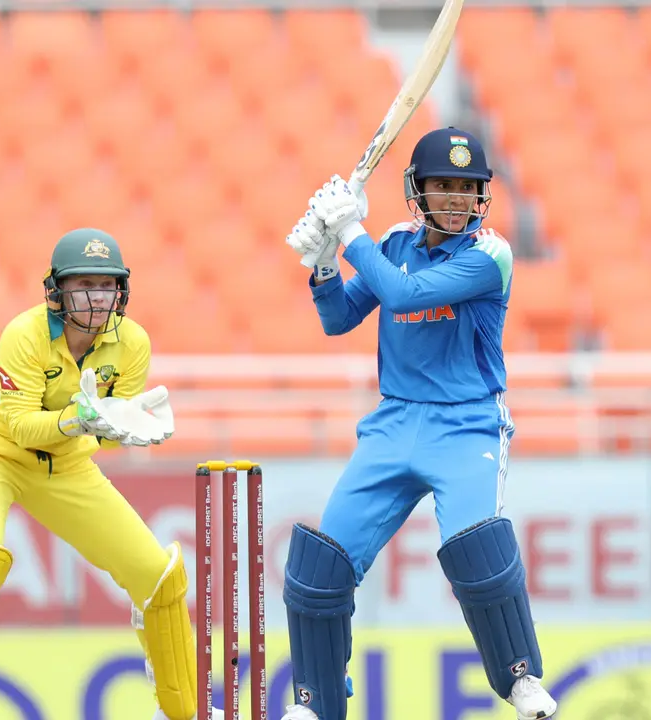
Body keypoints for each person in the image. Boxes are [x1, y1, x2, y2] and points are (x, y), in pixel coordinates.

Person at [280, 128, 558, 720]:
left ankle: (520, 678)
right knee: (320, 568)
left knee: (476, 546)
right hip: (394, 420)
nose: (457, 198)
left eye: (468, 187)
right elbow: (340, 319)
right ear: (419, 190)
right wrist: (326, 262)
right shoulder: (395, 242)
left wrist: (349, 231)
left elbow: (404, 297)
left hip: (468, 424)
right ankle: (314, 701)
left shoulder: (491, 255)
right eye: (444, 185)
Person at [0, 228, 211, 720]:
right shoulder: (24, 334)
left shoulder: (132, 343)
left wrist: (121, 426)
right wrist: (80, 419)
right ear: (55, 290)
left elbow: (99, 435)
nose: (96, 298)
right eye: (84, 285)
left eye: (107, 285)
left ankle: (182, 710)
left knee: (158, 575)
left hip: (65, 463)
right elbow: (20, 426)